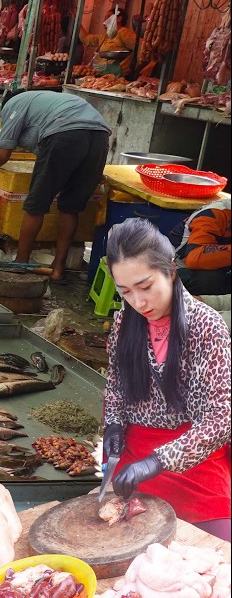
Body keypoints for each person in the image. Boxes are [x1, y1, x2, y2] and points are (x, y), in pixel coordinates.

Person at [101, 218, 231, 540]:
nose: (138, 302)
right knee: (113, 535)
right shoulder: (124, 322)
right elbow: (115, 385)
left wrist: (158, 462)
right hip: (133, 454)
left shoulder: (208, 327)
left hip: (194, 458)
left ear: (171, 270)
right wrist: (114, 425)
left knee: (218, 546)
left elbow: (221, 418)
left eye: (146, 287)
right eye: (125, 291)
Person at [0, 91, 110, 282]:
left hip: (64, 134)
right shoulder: (46, 100)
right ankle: (58, 269)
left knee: (36, 204)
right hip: (100, 137)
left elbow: (3, 153)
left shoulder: (14, 103)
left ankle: (21, 261)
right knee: (70, 207)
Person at [177, 198, 230, 296]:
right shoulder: (216, 212)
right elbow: (193, 258)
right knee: (212, 278)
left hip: (216, 269)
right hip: (179, 270)